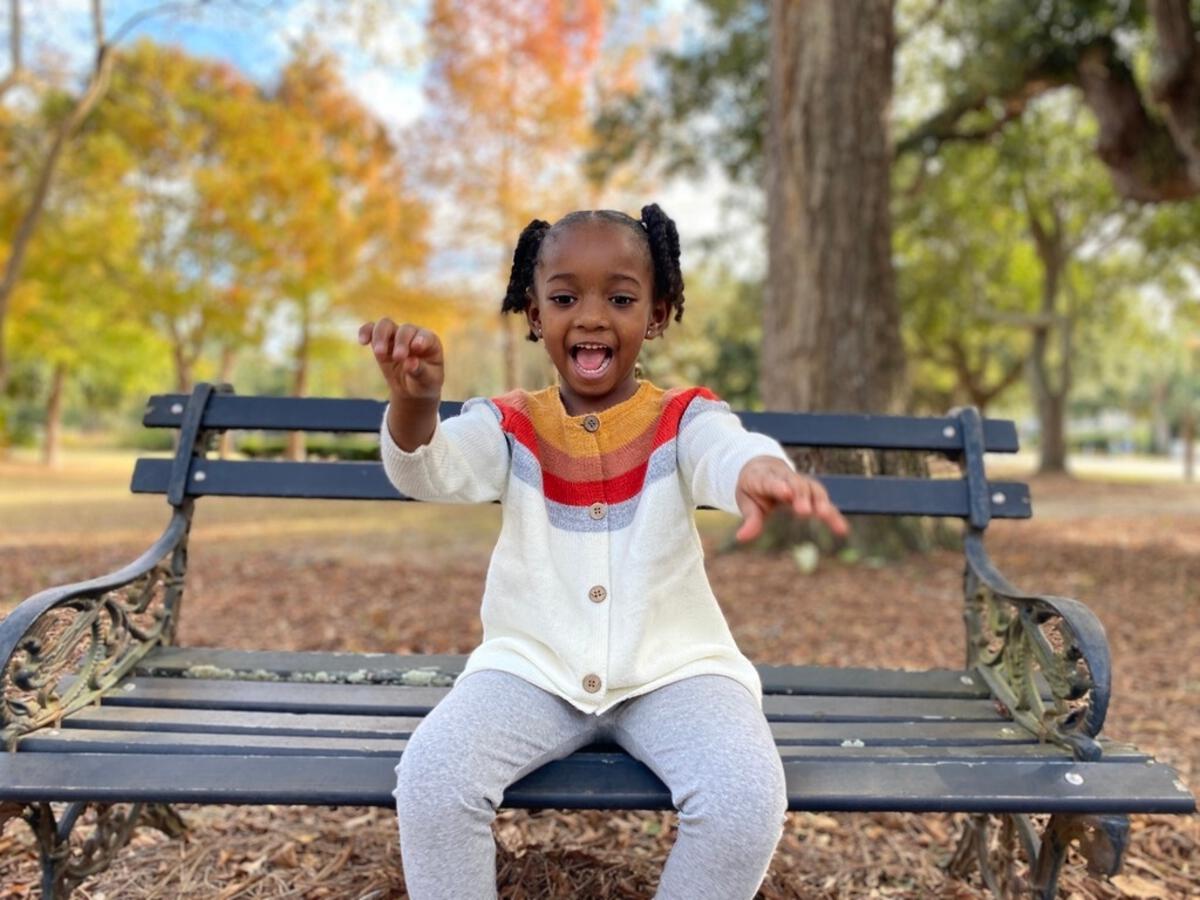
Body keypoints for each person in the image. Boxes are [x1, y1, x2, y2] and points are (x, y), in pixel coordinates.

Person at [358, 204, 849, 899]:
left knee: (743, 801)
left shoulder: (683, 418)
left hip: (673, 668)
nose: (590, 317)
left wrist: (754, 470)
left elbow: (724, 447)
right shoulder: (509, 423)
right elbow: (430, 468)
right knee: (434, 780)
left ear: (657, 312)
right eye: (564, 298)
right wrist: (416, 406)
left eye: (620, 298)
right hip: (533, 668)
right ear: (533, 313)